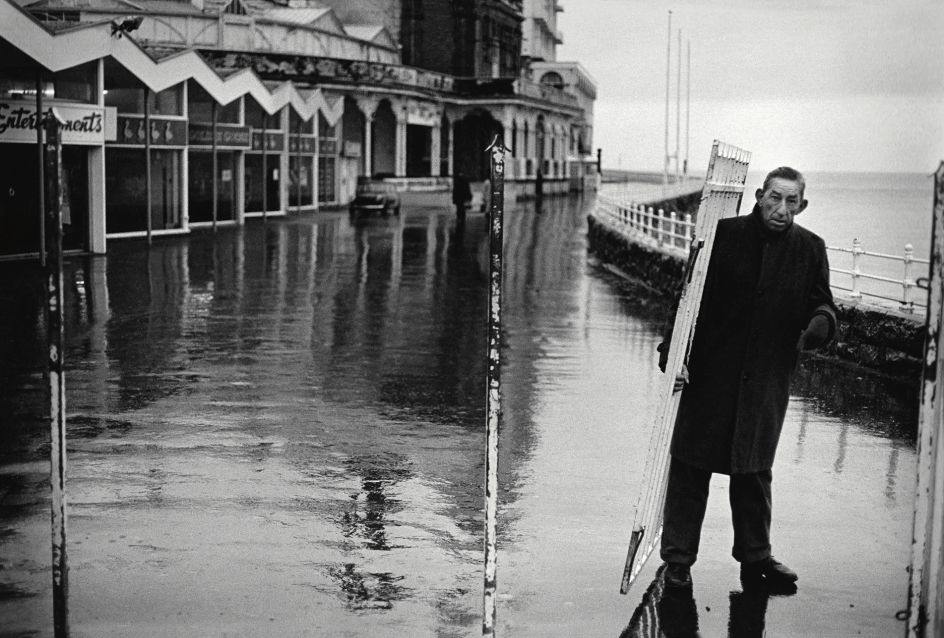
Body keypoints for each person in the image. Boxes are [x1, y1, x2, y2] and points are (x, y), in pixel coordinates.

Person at [658, 166, 837, 591]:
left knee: (754, 471)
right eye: (775, 197)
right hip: (710, 372)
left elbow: (824, 304)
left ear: (802, 206)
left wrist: (820, 324)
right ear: (759, 195)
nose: (781, 209)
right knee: (690, 468)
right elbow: (687, 298)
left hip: (766, 379)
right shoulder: (723, 236)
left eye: (792, 202)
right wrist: (673, 352)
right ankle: (678, 561)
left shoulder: (811, 249)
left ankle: (755, 559)